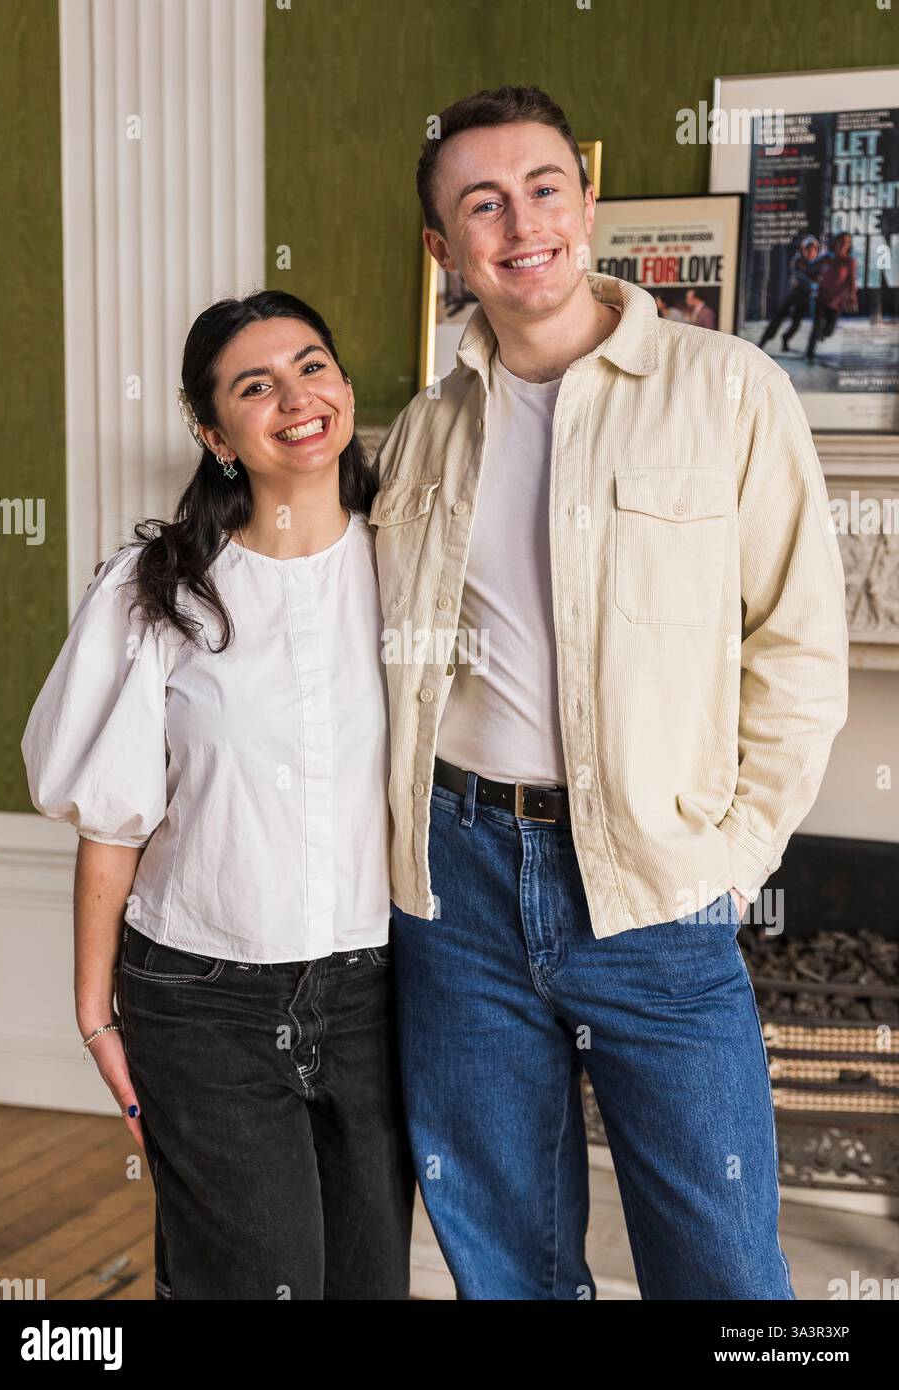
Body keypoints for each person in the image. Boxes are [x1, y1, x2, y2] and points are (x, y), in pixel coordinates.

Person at [370, 85, 849, 1300]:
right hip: (457, 882)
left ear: (587, 206)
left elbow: (797, 651)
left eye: (542, 189)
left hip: (655, 882)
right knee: (505, 1262)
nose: (520, 223)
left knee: (725, 1270)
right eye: (482, 204)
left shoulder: (728, 389)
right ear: (445, 250)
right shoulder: (425, 430)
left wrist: (733, 857)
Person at [21, 290, 416, 1301]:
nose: (297, 395)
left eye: (312, 364)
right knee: (257, 1281)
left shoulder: (412, 566)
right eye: (256, 385)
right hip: (204, 1000)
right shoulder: (155, 592)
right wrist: (93, 1010)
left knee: (367, 1281)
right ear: (214, 434)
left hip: (378, 992)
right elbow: (115, 815)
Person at [758, 234, 821, 352]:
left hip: (806, 298)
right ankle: (762, 341)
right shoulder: (798, 259)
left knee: (796, 323)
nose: (811, 252)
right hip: (793, 294)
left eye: (813, 250)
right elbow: (798, 275)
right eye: (808, 249)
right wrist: (812, 282)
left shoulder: (820, 262)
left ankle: (785, 339)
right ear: (804, 250)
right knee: (778, 318)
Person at [806, 232, 859, 362]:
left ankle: (822, 335)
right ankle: (809, 354)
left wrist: (852, 297)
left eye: (847, 242)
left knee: (829, 331)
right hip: (821, 298)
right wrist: (812, 281)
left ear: (849, 245)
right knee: (816, 327)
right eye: (841, 241)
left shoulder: (849, 262)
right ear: (835, 243)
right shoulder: (826, 259)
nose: (843, 244)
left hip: (836, 302)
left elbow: (851, 281)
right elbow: (810, 269)